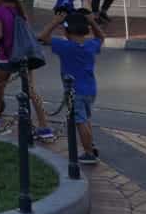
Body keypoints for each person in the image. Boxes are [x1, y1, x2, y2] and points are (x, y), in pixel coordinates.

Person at [0, 0, 54, 139]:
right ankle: (44, 125)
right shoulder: (19, 10)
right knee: (31, 90)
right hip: (23, 55)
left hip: (7, 55)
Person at [38, 10, 104, 164]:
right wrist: (92, 22)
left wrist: (55, 22)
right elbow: (101, 37)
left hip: (75, 91)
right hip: (90, 89)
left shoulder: (65, 46)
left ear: (67, 32)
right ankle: (90, 145)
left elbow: (42, 37)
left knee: (80, 121)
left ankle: (89, 153)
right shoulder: (91, 45)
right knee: (86, 119)